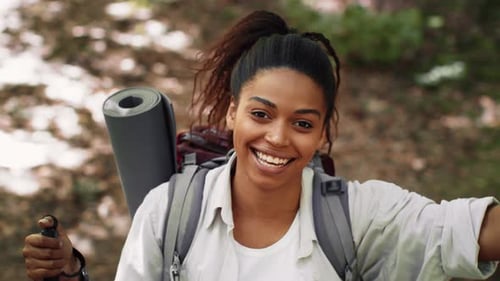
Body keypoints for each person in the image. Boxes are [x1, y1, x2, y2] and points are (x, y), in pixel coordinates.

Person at [23, 10, 499, 281]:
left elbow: (462, 230)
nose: (277, 137)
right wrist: (72, 275)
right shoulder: (169, 212)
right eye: (260, 114)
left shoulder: (357, 216)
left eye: (303, 122)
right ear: (232, 112)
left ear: (322, 133)